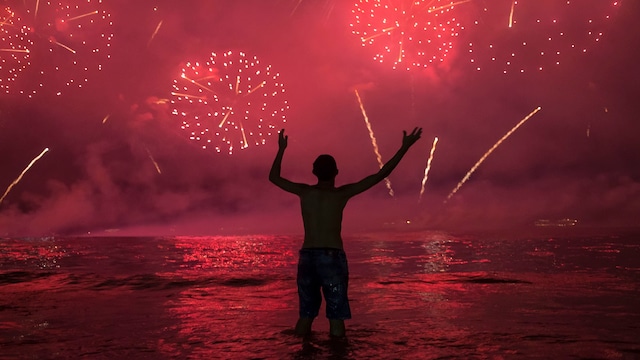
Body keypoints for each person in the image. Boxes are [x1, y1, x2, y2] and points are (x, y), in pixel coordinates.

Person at [269, 127, 422, 337]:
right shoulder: (341, 194)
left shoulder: (305, 192)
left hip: (308, 256)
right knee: (336, 316)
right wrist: (405, 147)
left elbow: (274, 178)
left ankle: (301, 352)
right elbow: (382, 174)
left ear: (314, 172)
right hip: (332, 256)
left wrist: (281, 149)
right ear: (337, 172)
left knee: (306, 315)